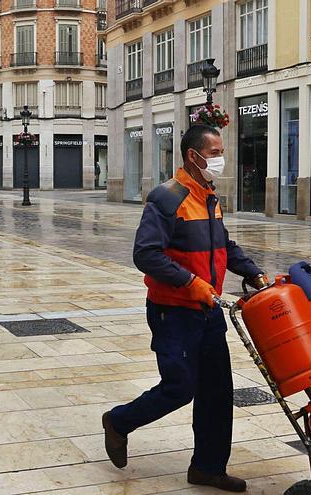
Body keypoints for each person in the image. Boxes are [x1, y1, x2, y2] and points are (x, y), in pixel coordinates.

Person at [101, 125, 268, 493]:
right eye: (214, 153)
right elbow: (145, 254)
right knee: (180, 387)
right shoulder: (167, 197)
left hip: (208, 312)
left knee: (218, 392)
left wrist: (254, 273)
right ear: (194, 156)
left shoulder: (208, 196)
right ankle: (118, 422)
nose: (220, 160)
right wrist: (191, 283)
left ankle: (208, 467)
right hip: (173, 311)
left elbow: (223, 245)